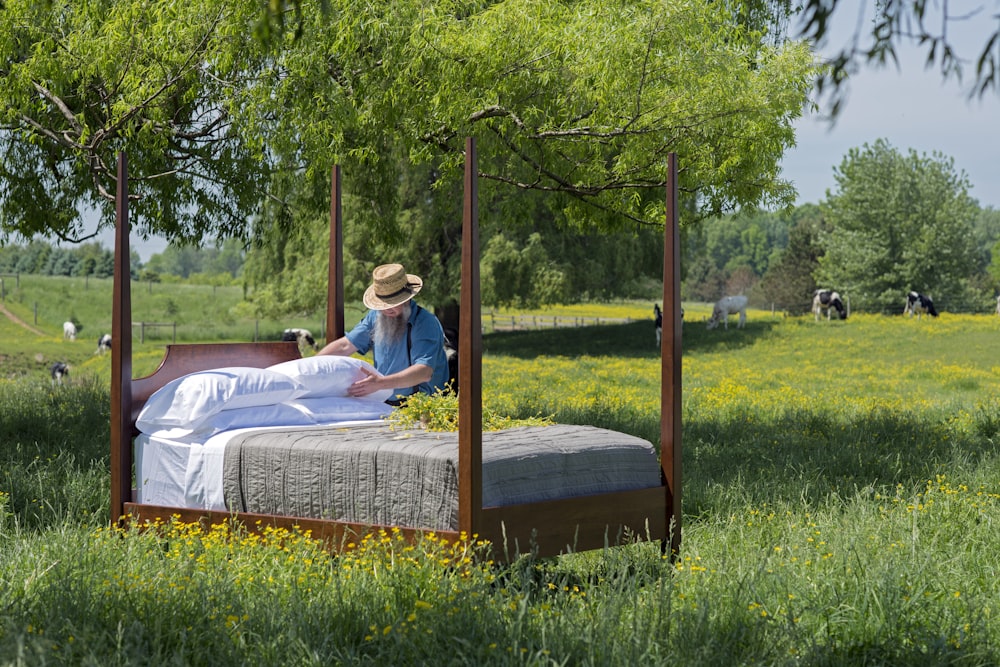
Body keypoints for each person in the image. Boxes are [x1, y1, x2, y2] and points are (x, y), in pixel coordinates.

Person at [318, 263, 450, 405]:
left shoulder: (425, 323)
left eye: (393, 303)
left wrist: (380, 383)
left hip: (421, 407)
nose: (387, 309)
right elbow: (345, 345)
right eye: (382, 304)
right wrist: (308, 366)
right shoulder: (375, 316)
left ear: (407, 299)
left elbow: (424, 372)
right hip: (384, 404)